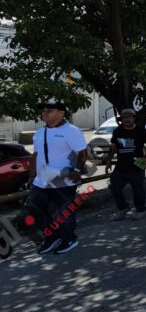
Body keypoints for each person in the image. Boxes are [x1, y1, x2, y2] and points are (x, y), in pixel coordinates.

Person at [27, 102, 88, 254]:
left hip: (63, 180)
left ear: (61, 113)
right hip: (41, 181)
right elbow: (35, 155)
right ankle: (52, 238)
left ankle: (69, 238)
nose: (45, 113)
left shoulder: (71, 131)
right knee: (35, 211)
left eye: (49, 110)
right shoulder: (39, 132)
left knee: (64, 213)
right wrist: (31, 175)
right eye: (43, 111)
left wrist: (76, 171)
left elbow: (82, 153)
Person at [106, 109, 146, 221]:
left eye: (129, 117)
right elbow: (113, 147)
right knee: (114, 187)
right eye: (124, 117)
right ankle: (123, 208)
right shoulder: (117, 131)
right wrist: (108, 161)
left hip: (137, 165)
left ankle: (141, 209)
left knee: (138, 189)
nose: (126, 119)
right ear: (121, 119)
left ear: (134, 118)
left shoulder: (141, 131)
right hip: (120, 166)